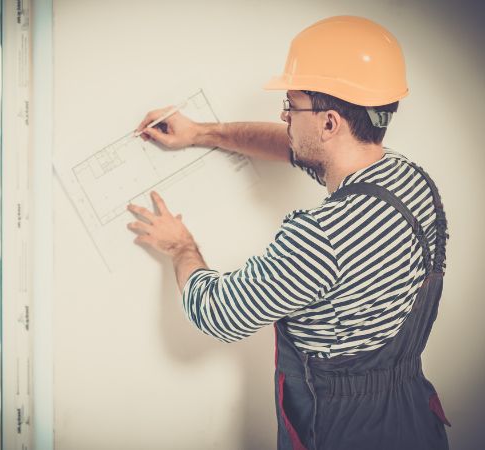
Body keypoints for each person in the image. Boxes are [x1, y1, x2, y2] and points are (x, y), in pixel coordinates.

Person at [127, 15, 450, 450]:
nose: (283, 116)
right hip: (411, 419)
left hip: (343, 434)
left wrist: (180, 245)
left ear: (330, 123)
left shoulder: (322, 237)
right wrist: (202, 133)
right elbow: (298, 146)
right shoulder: (411, 181)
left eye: (292, 106)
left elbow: (217, 312)